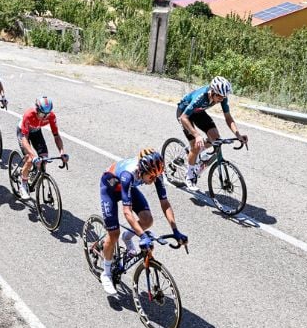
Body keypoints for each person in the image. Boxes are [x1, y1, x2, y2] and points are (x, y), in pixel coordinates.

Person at [97, 149, 187, 294]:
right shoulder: (129, 174)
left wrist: (175, 230)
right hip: (110, 187)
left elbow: (165, 203)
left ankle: (127, 237)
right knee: (113, 233)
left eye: (156, 176)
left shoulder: (156, 173)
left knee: (147, 220)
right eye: (151, 176)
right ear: (141, 170)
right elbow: (127, 212)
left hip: (128, 188)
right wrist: (142, 236)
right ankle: (106, 273)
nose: (153, 180)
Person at [176, 76, 247, 191]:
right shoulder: (201, 97)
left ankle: (197, 154)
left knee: (216, 138)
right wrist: (197, 135)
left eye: (223, 96)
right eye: (219, 96)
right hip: (184, 113)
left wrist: (238, 135)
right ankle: (189, 177)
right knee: (195, 144)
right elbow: (184, 117)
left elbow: (228, 118)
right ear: (212, 91)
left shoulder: (222, 97)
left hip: (198, 112)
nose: (221, 99)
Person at [16, 96, 67, 192]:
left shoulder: (51, 116)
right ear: (36, 109)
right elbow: (24, 139)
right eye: (42, 113)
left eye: (47, 114)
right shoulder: (28, 115)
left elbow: (56, 136)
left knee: (44, 158)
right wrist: (32, 155)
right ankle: (23, 183)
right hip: (23, 133)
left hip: (36, 131)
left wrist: (62, 152)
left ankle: (33, 172)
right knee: (30, 159)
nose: (44, 117)